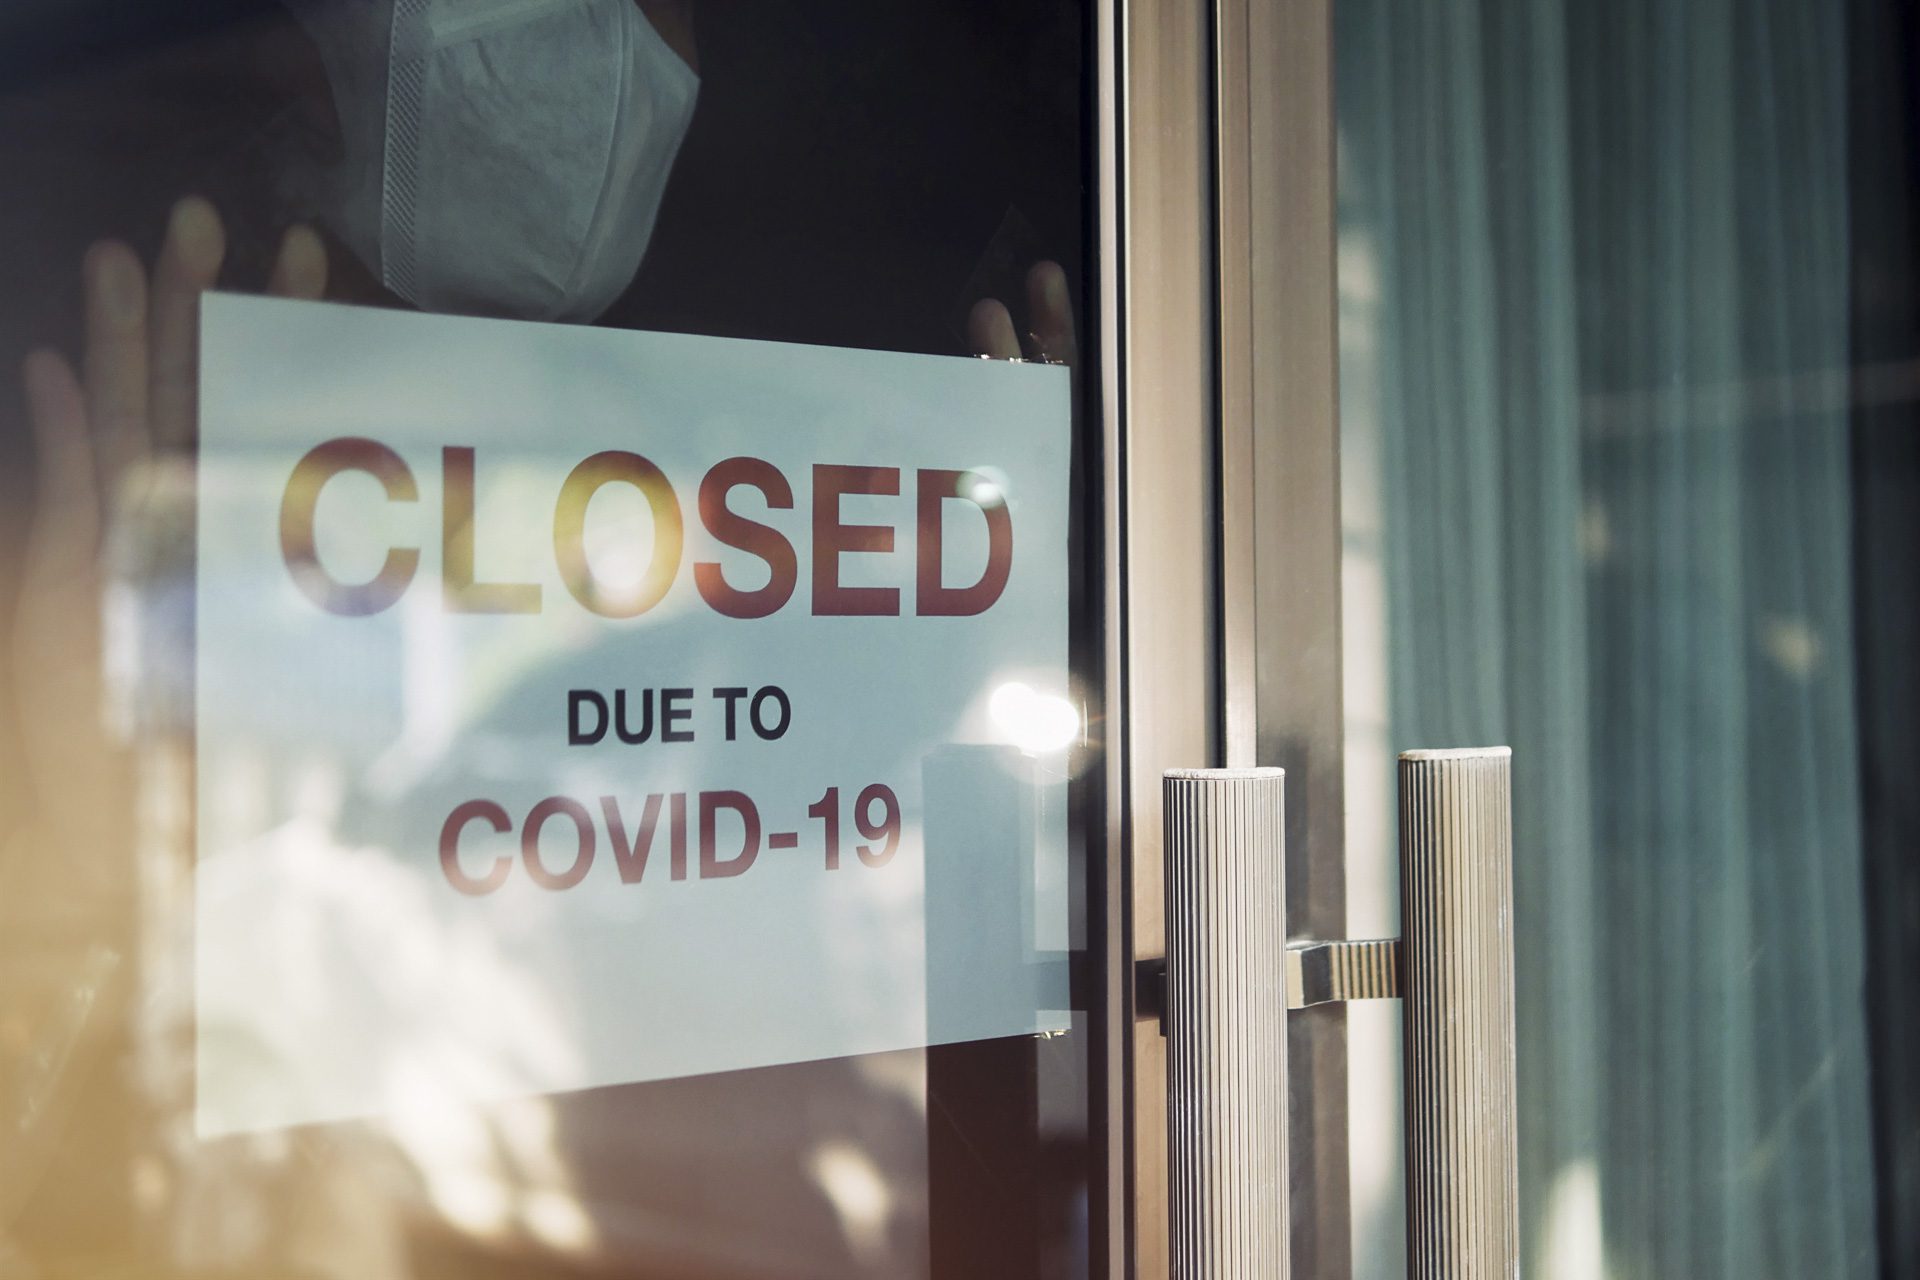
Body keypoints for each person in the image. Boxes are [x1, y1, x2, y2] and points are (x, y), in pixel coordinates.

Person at [3, 2, 1083, 1275]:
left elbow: (955, 1115)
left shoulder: (728, 602)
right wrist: (71, 882)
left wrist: (1013, 703)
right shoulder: (164, 568)